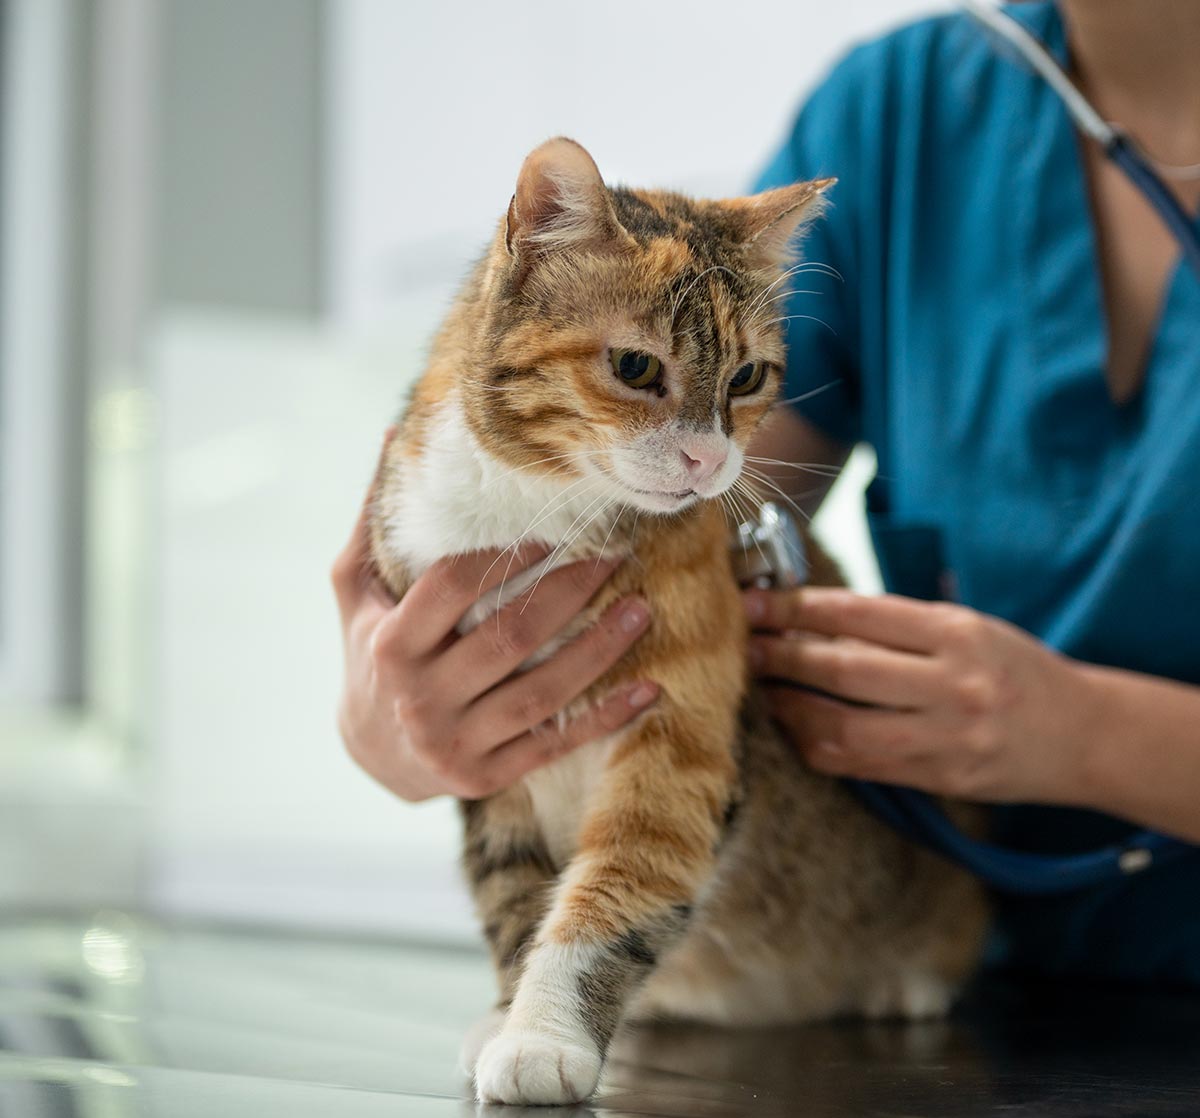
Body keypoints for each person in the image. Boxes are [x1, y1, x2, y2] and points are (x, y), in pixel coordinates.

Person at [333, 0, 1200, 986]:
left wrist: (1091, 737)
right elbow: (688, 514)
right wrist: (407, 709)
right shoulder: (904, 113)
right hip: (952, 1000)